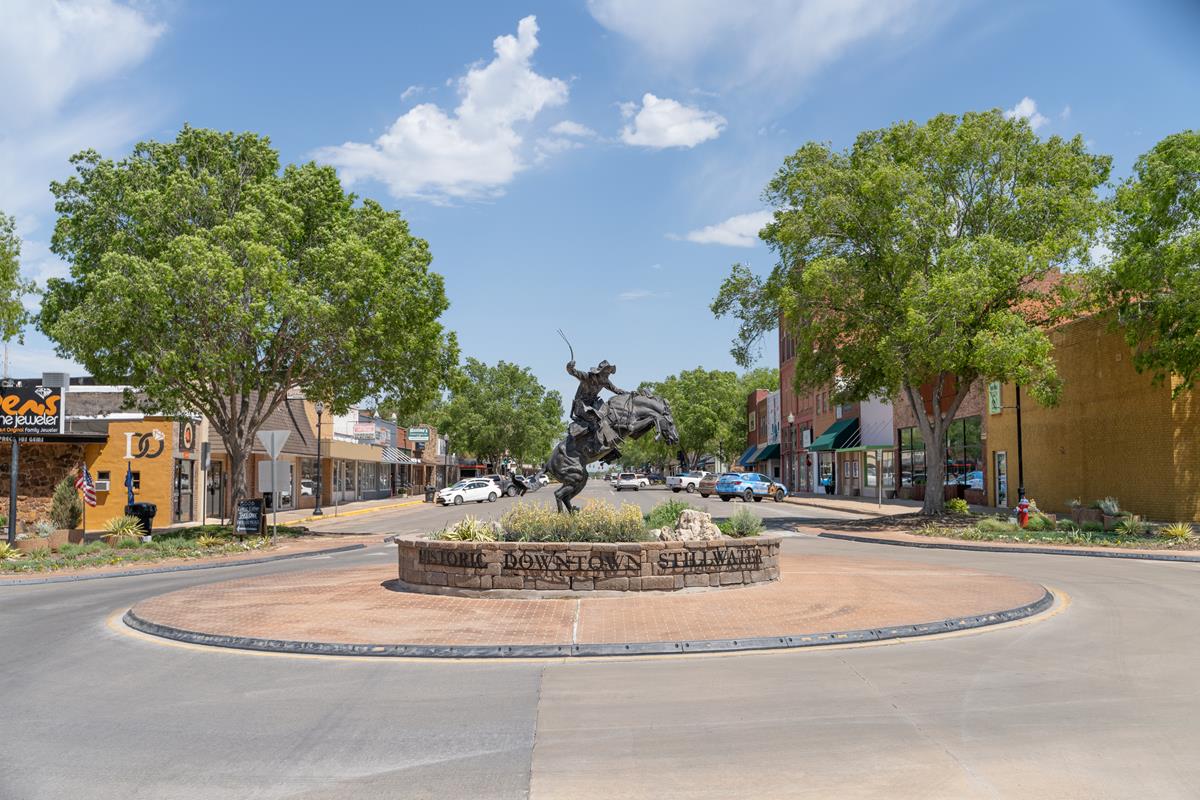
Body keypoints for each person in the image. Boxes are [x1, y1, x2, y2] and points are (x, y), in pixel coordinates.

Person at [566, 359, 625, 450]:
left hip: (593, 405)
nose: (608, 375)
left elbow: (617, 390)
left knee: (607, 415)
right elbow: (573, 372)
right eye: (606, 373)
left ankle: (610, 441)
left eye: (609, 373)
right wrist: (570, 367)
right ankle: (596, 444)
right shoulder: (587, 377)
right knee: (595, 417)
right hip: (580, 406)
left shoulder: (605, 381)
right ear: (600, 372)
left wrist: (630, 394)